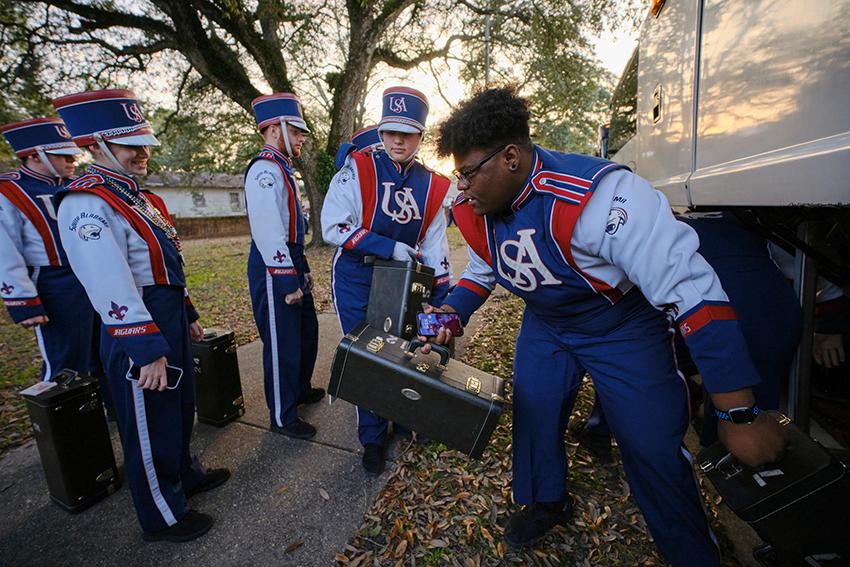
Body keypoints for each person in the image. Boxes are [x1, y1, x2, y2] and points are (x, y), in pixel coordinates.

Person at [420, 88, 786, 565]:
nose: (462, 187)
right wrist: (453, 311)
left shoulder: (600, 197)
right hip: (548, 323)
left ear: (510, 157)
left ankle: (692, 552)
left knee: (651, 442)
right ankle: (547, 499)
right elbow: (484, 270)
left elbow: (691, 291)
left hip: (621, 325)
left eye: (468, 172)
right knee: (535, 409)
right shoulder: (473, 207)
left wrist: (737, 413)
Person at [53, 89, 229, 542]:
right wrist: (144, 347)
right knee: (148, 421)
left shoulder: (136, 196)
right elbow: (109, 283)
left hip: (166, 312)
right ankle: (161, 514)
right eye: (130, 144)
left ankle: (184, 475)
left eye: (142, 142)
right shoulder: (86, 203)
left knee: (178, 406)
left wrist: (186, 310)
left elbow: (166, 262)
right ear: (96, 147)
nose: (142, 152)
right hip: (137, 323)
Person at [579, 211, 803, 449]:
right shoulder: (749, 220)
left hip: (742, 315)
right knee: (744, 421)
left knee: (632, 362)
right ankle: (730, 457)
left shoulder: (648, 227)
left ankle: (602, 432)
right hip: (767, 312)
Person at [321, 87, 453, 475]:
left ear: (420, 137)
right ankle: (373, 436)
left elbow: (434, 245)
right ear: (380, 133)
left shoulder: (432, 184)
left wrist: (441, 300)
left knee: (408, 344)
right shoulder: (357, 168)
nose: (397, 140)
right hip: (357, 274)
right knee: (369, 352)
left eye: (407, 133)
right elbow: (334, 225)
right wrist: (387, 245)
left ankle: (408, 415)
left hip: (404, 277)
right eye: (390, 131)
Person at [244, 93, 323, 440]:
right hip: (272, 264)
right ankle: (283, 415)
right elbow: (268, 232)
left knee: (306, 332)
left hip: (291, 257)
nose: (303, 138)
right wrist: (286, 279)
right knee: (282, 342)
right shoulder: (264, 169)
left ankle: (299, 389)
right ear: (276, 128)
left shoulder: (281, 167)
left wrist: (301, 266)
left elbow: (292, 228)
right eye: (298, 131)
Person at [0, 117, 97, 381]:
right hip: (54, 282)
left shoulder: (75, 185)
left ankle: (105, 415)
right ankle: (64, 420)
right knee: (65, 358)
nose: (72, 161)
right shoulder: (9, 190)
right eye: (62, 155)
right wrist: (22, 299)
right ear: (34, 155)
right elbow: (4, 249)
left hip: (93, 276)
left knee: (101, 352)